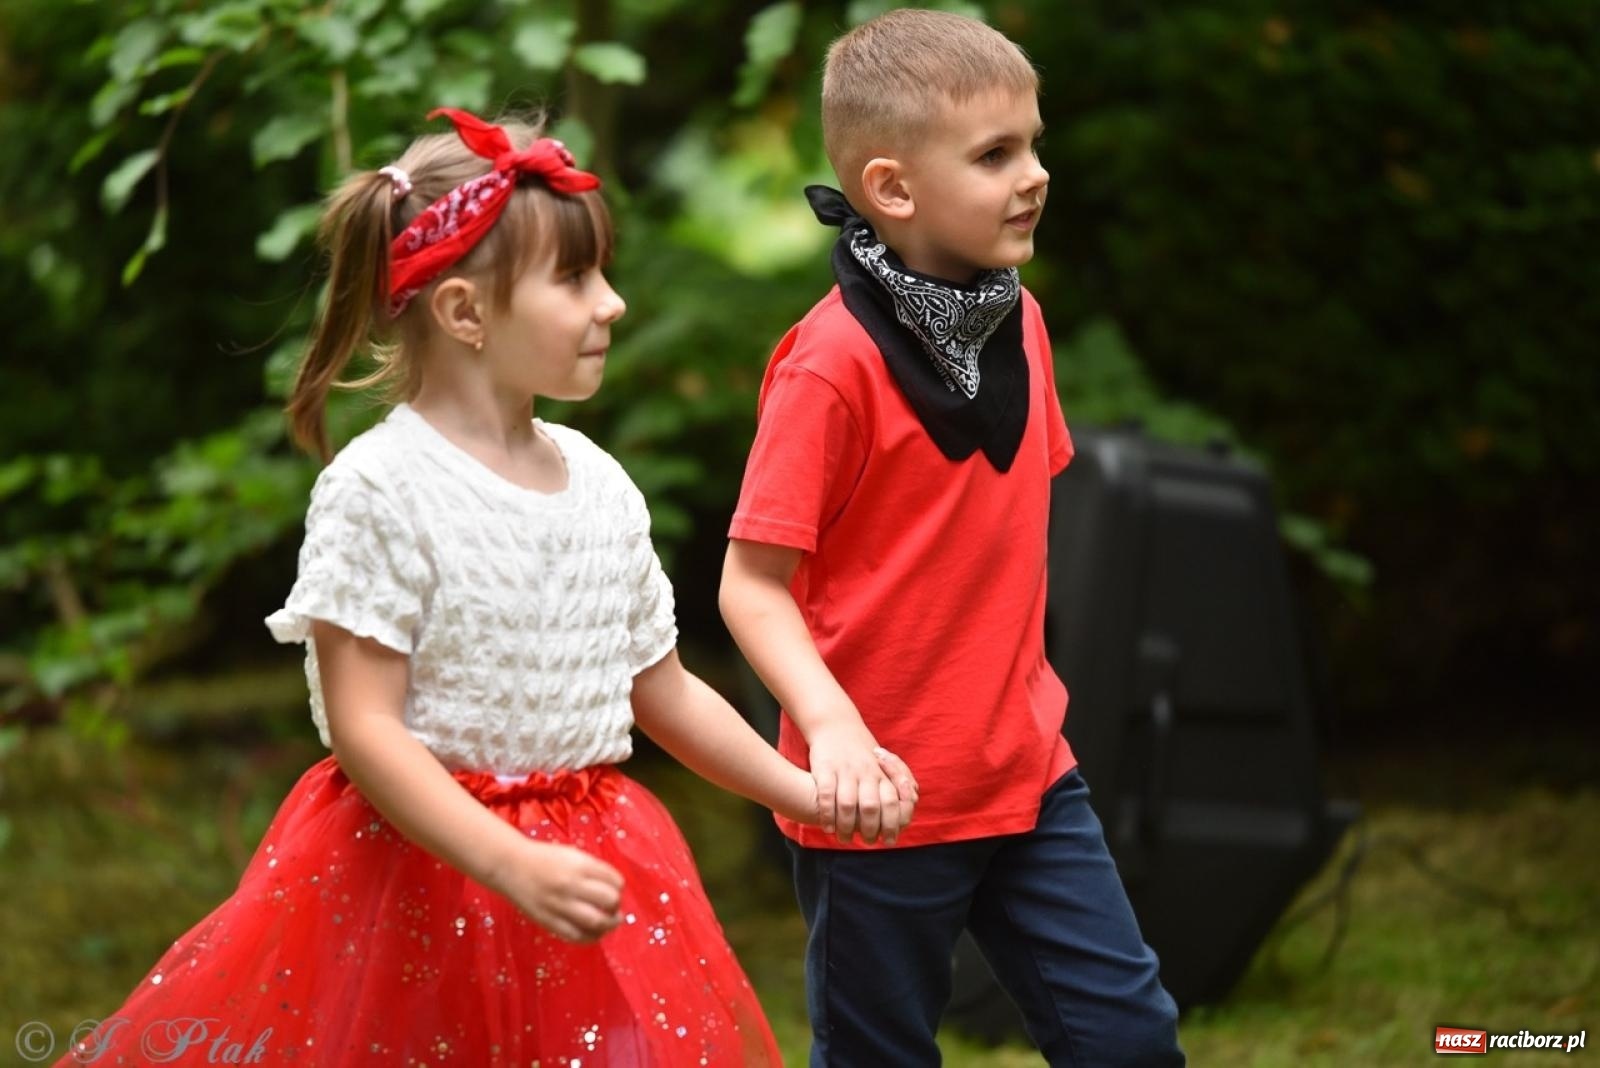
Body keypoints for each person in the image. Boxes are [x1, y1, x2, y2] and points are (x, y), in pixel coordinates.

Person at [60, 106, 907, 1068]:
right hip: (419, 888)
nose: (612, 303)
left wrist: (797, 792)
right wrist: (507, 861)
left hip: (596, 868)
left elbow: (659, 689)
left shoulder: (599, 483)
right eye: (574, 278)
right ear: (464, 313)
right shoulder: (380, 491)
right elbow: (367, 727)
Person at [720, 9, 1185, 1066]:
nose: (1036, 174)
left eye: (1033, 142)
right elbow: (750, 587)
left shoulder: (1017, 320)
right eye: (994, 154)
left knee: (1132, 1044)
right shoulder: (828, 366)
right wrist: (834, 731)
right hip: (876, 805)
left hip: (1027, 779)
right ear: (891, 188)